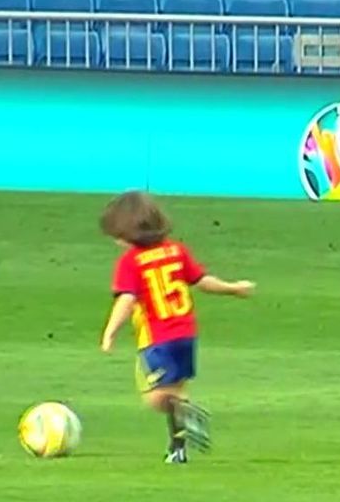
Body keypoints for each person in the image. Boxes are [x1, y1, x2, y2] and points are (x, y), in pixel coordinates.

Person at [98, 190, 256, 464]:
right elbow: (202, 280)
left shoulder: (131, 262)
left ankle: (186, 415)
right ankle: (178, 450)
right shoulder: (176, 251)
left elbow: (126, 299)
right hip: (186, 334)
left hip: (156, 339)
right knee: (178, 391)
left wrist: (110, 332)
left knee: (156, 397)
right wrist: (233, 288)